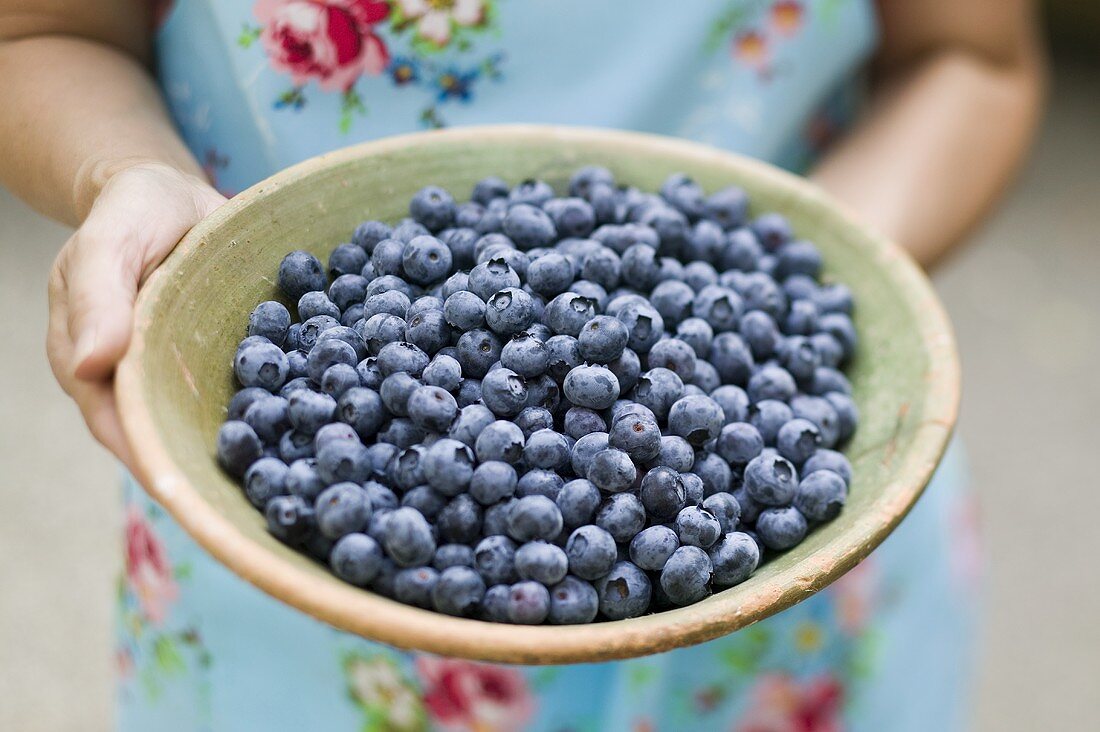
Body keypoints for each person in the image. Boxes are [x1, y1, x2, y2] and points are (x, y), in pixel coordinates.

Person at [0, 1, 1043, 730]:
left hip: (795, 592)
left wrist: (813, 266)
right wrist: (127, 172)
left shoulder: (727, 433)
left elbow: (971, 52)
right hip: (288, 595)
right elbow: (39, 26)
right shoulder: (353, 423)